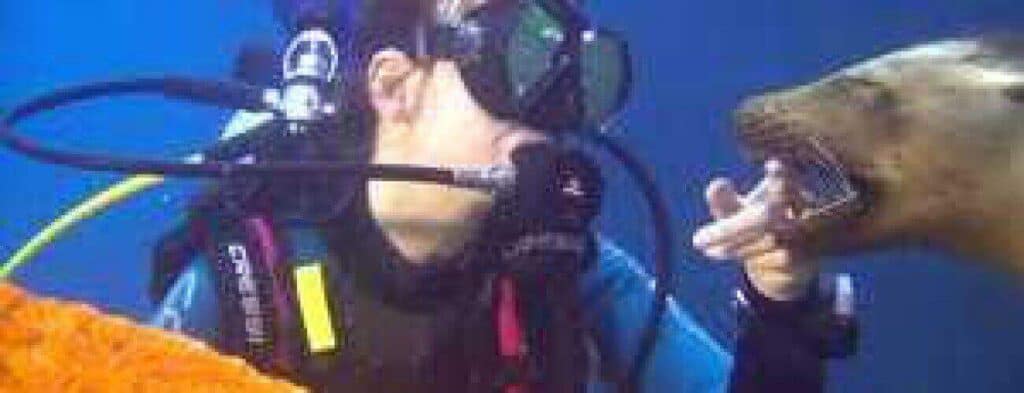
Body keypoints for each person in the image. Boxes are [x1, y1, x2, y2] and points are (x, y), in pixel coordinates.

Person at [148, 0, 857, 391]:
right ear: (395, 86)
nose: (547, 117)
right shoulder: (249, 278)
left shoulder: (563, 270)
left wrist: (778, 305)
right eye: (514, 52)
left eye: (576, 74)